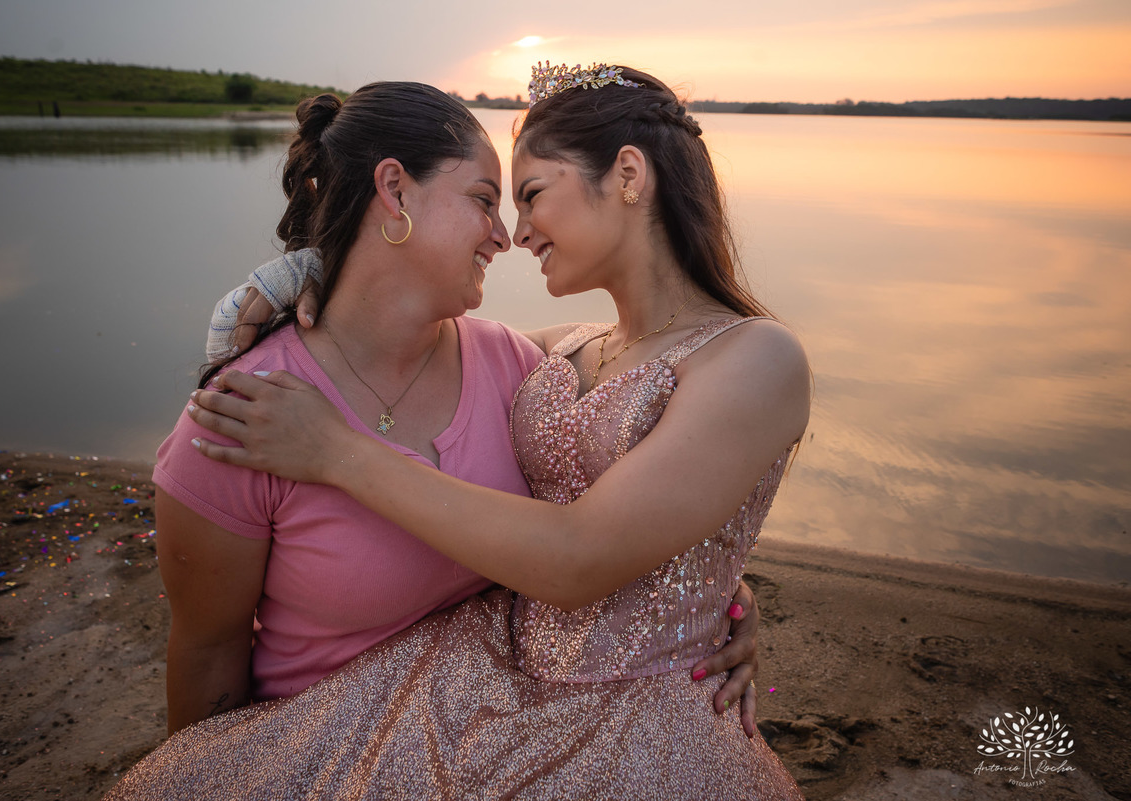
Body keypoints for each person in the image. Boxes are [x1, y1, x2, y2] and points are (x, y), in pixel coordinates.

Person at [109, 65, 806, 799]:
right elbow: (386, 333)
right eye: (490, 200)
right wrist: (299, 272)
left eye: (529, 195)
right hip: (405, 709)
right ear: (394, 192)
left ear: (628, 176)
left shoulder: (713, 357)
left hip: (592, 710)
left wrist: (704, 588)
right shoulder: (560, 353)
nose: (514, 233)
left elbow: (589, 547)